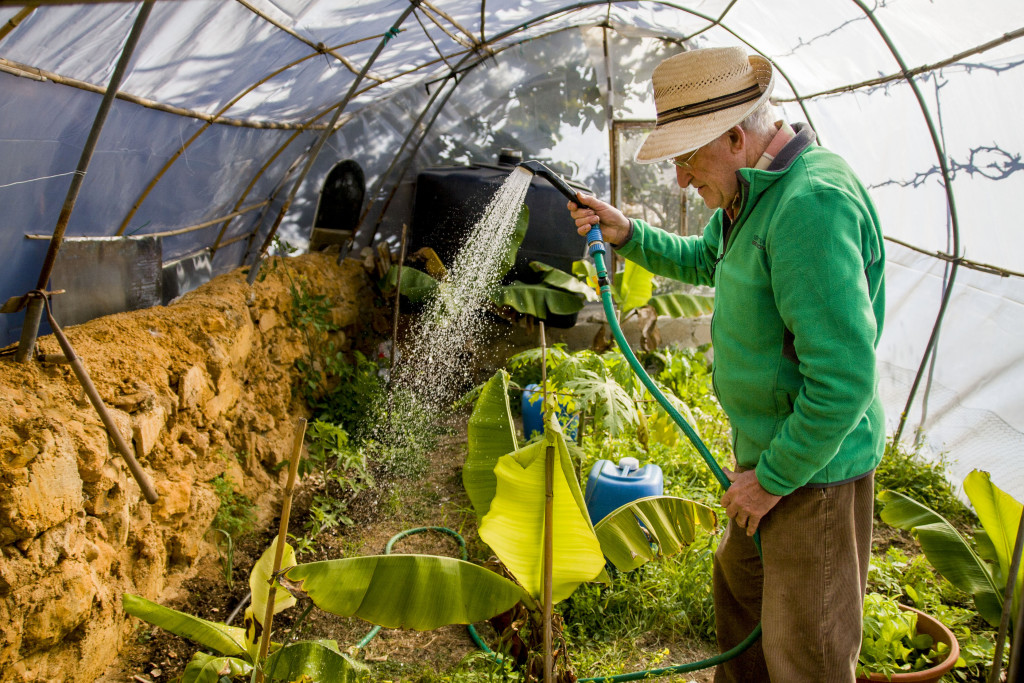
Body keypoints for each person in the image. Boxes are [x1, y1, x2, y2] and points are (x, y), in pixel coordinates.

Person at [568, 47, 886, 682]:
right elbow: (705, 260)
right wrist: (629, 233)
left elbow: (845, 379)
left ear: (737, 136)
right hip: (768, 460)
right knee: (741, 611)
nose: (682, 180)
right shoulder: (752, 197)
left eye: (687, 159)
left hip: (811, 477)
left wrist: (770, 481)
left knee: (808, 655)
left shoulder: (810, 206)